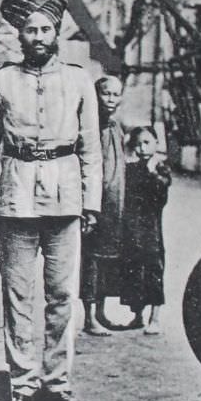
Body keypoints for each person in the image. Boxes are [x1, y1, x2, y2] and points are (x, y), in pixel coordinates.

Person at [0, 0, 101, 401]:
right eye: (30, 29)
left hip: (65, 196)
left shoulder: (79, 80)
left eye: (45, 29)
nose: (38, 37)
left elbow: (91, 146)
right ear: (20, 34)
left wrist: (91, 203)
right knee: (17, 294)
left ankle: (58, 380)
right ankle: (23, 380)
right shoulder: (1, 82)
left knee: (62, 293)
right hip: (15, 195)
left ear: (57, 31)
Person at [81, 76, 126, 336]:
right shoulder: (91, 126)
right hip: (96, 204)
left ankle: (100, 312)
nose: (111, 99)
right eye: (105, 93)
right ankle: (89, 316)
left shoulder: (115, 127)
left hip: (114, 204)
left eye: (116, 94)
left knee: (109, 259)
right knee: (92, 260)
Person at [121, 126, 171, 334]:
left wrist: (152, 172)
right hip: (134, 228)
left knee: (153, 269)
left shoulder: (160, 168)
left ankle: (155, 318)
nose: (141, 148)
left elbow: (162, 197)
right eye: (138, 144)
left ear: (157, 144)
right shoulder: (131, 168)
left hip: (151, 227)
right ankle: (138, 316)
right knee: (133, 269)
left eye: (147, 143)